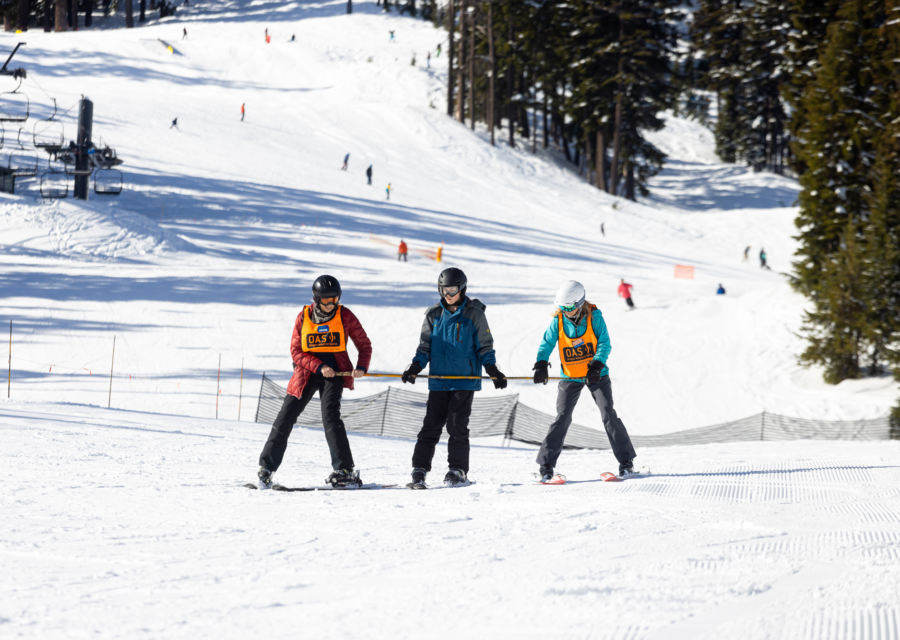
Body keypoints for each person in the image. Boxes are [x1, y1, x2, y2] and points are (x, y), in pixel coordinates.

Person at [257, 275, 373, 489]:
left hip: (335, 374)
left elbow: (364, 344)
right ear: (316, 299)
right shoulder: (304, 316)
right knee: (286, 416)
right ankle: (266, 468)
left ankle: (344, 469)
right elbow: (295, 351)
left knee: (330, 416)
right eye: (325, 300)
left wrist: (361, 367)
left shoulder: (345, 315)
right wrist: (319, 366)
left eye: (334, 300)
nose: (330, 305)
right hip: (306, 373)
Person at [401, 268, 507, 487]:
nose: (447, 295)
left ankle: (457, 470)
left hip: (464, 381)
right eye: (443, 290)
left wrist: (492, 370)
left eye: (452, 290)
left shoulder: (474, 314)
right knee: (430, 426)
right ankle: (419, 469)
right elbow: (425, 346)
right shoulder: (433, 315)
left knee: (457, 427)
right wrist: (415, 366)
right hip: (439, 380)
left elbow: (485, 346)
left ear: (462, 289)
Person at [532, 281, 636, 483]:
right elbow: (547, 343)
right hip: (570, 376)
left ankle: (626, 461)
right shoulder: (559, 321)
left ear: (580, 303)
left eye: (570, 308)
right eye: (563, 308)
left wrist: (597, 365)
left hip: (596, 375)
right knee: (562, 416)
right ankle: (546, 465)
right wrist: (541, 363)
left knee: (608, 413)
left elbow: (604, 343)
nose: (566, 312)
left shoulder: (595, 317)